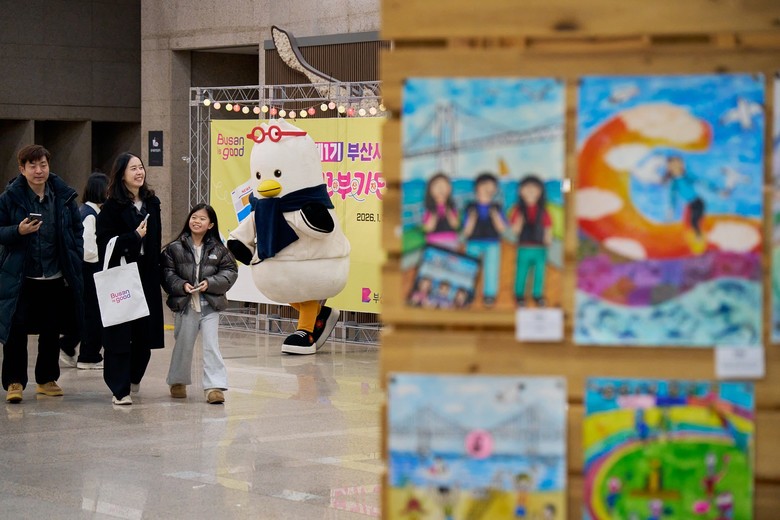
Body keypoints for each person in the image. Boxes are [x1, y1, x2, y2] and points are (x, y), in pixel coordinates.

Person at [0, 144, 84, 403]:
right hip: (21, 276)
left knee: (51, 328)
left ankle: (47, 379)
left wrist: (75, 255)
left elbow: (76, 229)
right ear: (22, 169)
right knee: (16, 329)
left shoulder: (63, 196)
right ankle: (14, 381)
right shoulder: (10, 198)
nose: (39, 170)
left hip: (55, 275)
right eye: (33, 166)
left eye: (43, 165)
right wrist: (18, 231)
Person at [96, 152, 164, 405]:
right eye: (133, 168)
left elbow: (156, 241)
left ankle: (134, 376)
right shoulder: (112, 207)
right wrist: (133, 237)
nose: (139, 172)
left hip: (147, 274)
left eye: (141, 167)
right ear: (121, 174)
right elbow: (104, 243)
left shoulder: (152, 202)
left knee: (145, 335)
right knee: (121, 334)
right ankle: (119, 389)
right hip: (122, 274)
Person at [161, 204, 237, 404]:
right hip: (185, 304)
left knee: (212, 345)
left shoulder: (220, 249)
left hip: (210, 304)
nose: (196, 221)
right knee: (183, 344)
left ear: (210, 224)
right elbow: (167, 274)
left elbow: (230, 272)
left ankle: (214, 387)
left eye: (202, 219)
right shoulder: (174, 248)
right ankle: (177, 381)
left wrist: (210, 283)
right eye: (194, 217)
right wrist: (182, 285)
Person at [59, 172, 109, 369]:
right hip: (90, 271)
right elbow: (88, 250)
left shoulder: (88, 211)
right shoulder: (89, 214)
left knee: (87, 313)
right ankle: (88, 356)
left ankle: (69, 345)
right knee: (93, 313)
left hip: (86, 271)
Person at [462, 172, 506, 306]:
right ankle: (468, 292)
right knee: (470, 268)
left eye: (492, 186)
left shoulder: (497, 207)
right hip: (473, 242)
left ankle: (489, 295)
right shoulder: (470, 207)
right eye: (485, 185)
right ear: (477, 187)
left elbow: (502, 228)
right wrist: (471, 219)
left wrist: (495, 215)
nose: (489, 189)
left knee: (492, 268)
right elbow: (466, 231)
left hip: (492, 242)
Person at [510, 175, 552, 307]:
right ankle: (519, 294)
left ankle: (537, 294)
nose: (531, 191)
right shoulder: (518, 210)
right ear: (520, 191)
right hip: (523, 246)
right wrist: (519, 220)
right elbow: (515, 230)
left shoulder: (543, 211)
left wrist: (548, 239)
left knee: (539, 273)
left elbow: (548, 226)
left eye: (534, 188)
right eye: (527, 188)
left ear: (540, 192)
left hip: (540, 248)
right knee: (521, 271)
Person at [422, 172, 460, 250]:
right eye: (437, 185)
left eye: (444, 185)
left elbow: (455, 225)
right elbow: (428, 228)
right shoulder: (429, 210)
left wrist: (447, 209)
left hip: (451, 240)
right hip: (434, 242)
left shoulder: (451, 208)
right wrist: (434, 212)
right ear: (430, 190)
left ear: (449, 189)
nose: (441, 188)